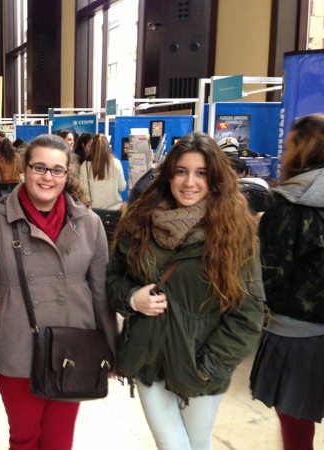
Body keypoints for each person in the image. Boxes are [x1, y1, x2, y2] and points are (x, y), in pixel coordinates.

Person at [107, 131, 265, 450]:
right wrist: (132, 298)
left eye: (201, 173)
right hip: (148, 355)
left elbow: (248, 314)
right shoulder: (139, 221)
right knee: (170, 443)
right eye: (181, 171)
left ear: (215, 179)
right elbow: (113, 278)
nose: (189, 182)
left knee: (196, 442)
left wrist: (210, 366)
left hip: (199, 361)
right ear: (168, 175)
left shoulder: (234, 231)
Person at [0, 134, 117, 450]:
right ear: (24, 169)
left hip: (73, 347)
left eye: (57, 170)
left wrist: (111, 352)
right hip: (17, 346)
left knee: (59, 440)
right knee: (24, 437)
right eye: (39, 168)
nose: (48, 177)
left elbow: (101, 293)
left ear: (67, 174)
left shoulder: (88, 223)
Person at [250, 114, 324, 450]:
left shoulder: (289, 206)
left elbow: (267, 277)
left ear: (303, 150)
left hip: (296, 335)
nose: (282, 154)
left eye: (289, 146)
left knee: (297, 431)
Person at [79, 133, 126, 211]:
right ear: (108, 146)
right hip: (114, 211)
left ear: (92, 147)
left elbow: (83, 191)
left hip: (93, 212)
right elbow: (122, 187)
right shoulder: (116, 163)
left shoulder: (85, 165)